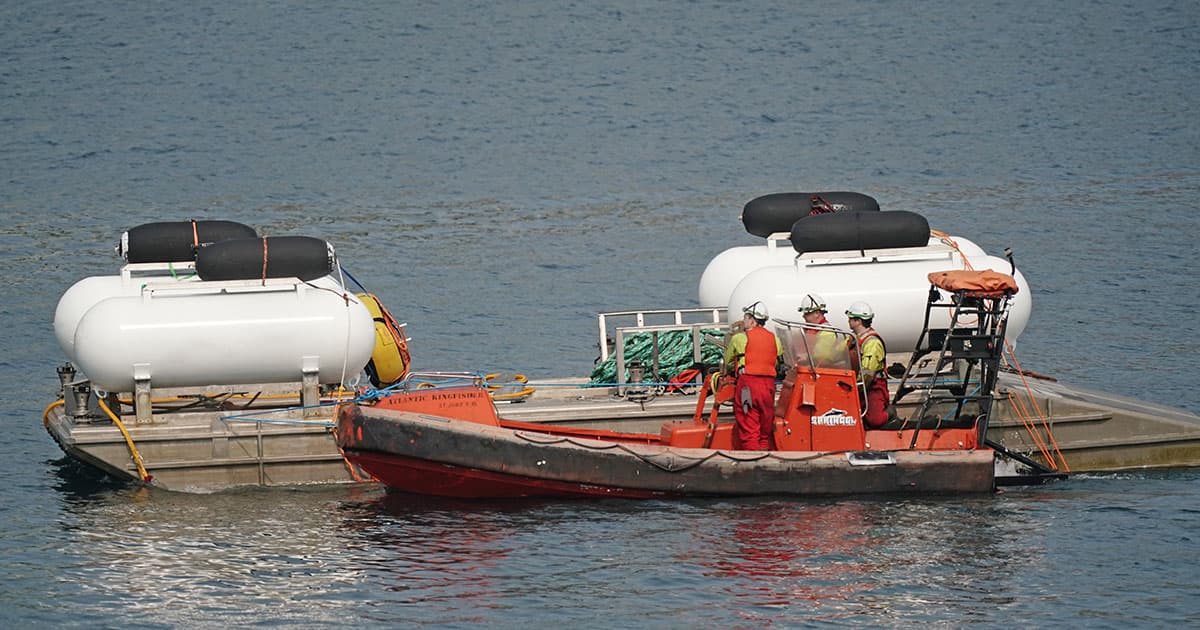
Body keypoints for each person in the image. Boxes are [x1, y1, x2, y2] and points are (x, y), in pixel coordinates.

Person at [723, 301, 784, 450]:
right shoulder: (775, 339)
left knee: (748, 422)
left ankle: (752, 459)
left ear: (752, 320)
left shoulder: (739, 339)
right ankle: (765, 451)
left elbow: (728, 361)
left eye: (745, 317)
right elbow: (777, 361)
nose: (743, 321)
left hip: (748, 387)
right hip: (768, 386)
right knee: (766, 423)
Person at [845, 301, 889, 428]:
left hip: (872, 387)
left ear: (858, 321)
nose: (848, 320)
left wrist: (855, 388)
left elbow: (868, 373)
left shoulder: (872, 343)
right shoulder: (852, 339)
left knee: (875, 420)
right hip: (856, 385)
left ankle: (889, 414)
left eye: (851, 318)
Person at [797, 293, 841, 367]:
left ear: (817, 313)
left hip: (818, 372)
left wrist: (806, 358)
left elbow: (821, 357)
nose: (803, 316)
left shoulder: (827, 332)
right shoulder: (808, 330)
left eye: (807, 313)